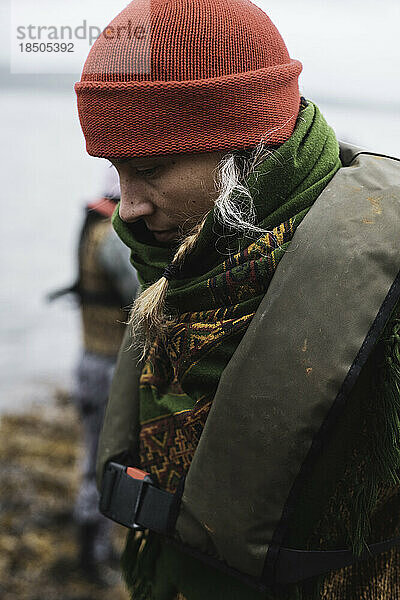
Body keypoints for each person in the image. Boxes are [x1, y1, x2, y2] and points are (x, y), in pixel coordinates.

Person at [74, 1, 400, 598]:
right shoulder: (173, 270)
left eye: (150, 167)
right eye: (117, 169)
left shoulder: (390, 294)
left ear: (245, 142)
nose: (129, 206)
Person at [52, 167, 139, 575]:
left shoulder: (88, 230)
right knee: (107, 462)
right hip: (109, 369)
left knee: (92, 457)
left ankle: (92, 545)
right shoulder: (113, 239)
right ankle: (94, 555)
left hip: (88, 361)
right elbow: (141, 299)